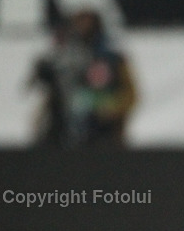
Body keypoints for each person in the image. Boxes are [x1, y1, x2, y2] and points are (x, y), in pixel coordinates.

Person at [29, 8, 138, 148]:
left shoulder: (112, 59)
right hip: (63, 133)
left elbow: (130, 95)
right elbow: (56, 95)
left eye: (86, 22)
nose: (82, 27)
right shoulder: (62, 58)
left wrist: (109, 106)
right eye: (78, 23)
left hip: (102, 132)